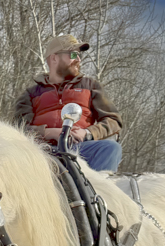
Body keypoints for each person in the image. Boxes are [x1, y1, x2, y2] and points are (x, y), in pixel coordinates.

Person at [15, 34, 123, 171]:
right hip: (41, 151)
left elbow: (113, 120)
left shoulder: (91, 86)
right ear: (54, 58)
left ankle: (95, 190)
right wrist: (49, 132)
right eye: (73, 55)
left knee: (110, 148)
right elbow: (19, 129)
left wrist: (87, 133)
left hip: (79, 150)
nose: (78, 59)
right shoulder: (31, 93)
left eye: (79, 55)